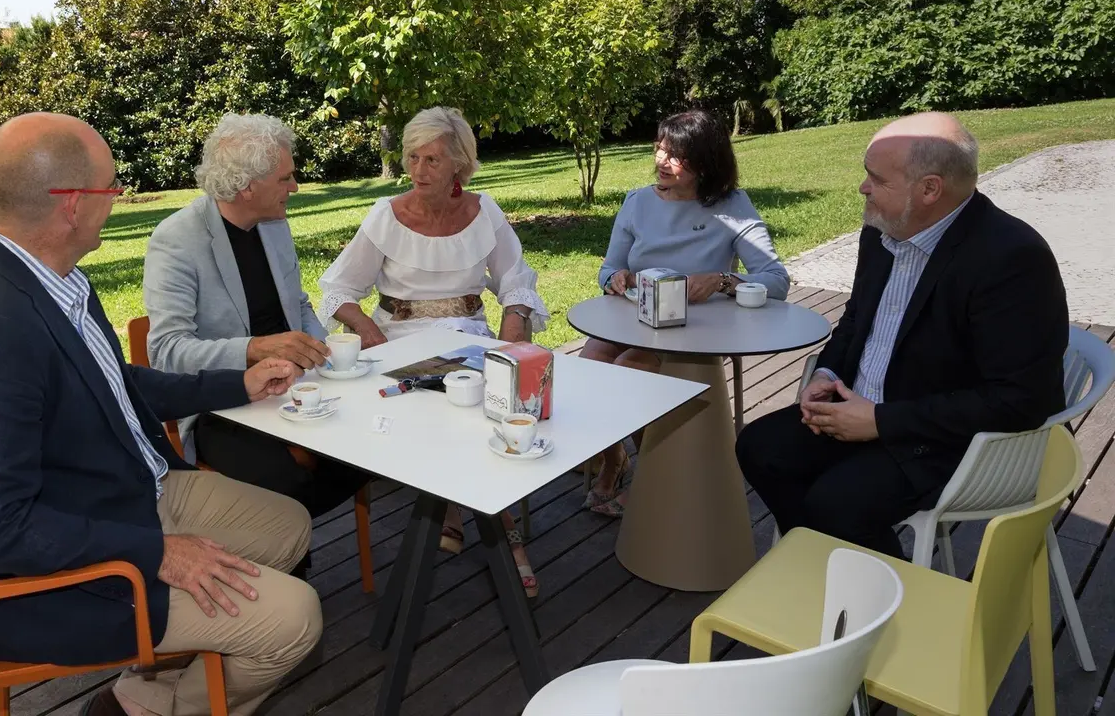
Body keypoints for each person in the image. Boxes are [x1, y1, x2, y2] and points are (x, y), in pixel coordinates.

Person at [0, 112, 322, 716]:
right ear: (72, 205)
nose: (120, 195)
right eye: (110, 186)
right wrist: (160, 553)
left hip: (119, 496)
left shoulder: (53, 278)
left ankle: (157, 681)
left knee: (289, 526)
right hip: (52, 584)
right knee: (296, 619)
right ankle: (147, 709)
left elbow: (114, 382)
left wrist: (239, 383)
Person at [736, 112, 1069, 559]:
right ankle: (823, 569)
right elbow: (856, 320)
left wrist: (879, 421)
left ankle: (890, 606)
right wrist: (827, 373)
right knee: (759, 448)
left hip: (952, 438)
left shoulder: (1010, 259)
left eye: (877, 178)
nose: (863, 188)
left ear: (930, 188)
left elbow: (1019, 400)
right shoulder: (882, 230)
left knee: (835, 504)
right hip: (864, 409)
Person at [318, 106, 548, 596]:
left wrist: (512, 331)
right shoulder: (386, 216)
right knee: (459, 410)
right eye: (413, 158)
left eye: (433, 160)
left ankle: (463, 513)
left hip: (469, 336)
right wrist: (370, 334)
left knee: (488, 401)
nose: (419, 170)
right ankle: (503, 536)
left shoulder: (485, 213)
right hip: (399, 342)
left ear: (460, 167)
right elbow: (338, 289)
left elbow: (516, 282)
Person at [144, 113, 370, 519]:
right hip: (224, 404)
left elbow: (298, 304)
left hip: (299, 388)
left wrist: (325, 353)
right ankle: (287, 567)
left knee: (376, 443)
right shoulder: (177, 240)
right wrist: (253, 349)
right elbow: (166, 352)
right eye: (285, 178)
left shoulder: (273, 224)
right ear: (247, 187)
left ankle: (287, 546)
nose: (295, 187)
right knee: (286, 486)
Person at [580, 110, 790, 516]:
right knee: (591, 365)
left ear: (706, 162)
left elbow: (776, 280)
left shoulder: (732, 205)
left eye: (676, 155)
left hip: (695, 328)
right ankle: (614, 460)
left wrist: (724, 280)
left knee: (628, 369)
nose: (661, 160)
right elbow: (607, 269)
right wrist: (616, 278)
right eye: (660, 148)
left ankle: (653, 474)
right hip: (637, 316)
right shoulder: (637, 202)